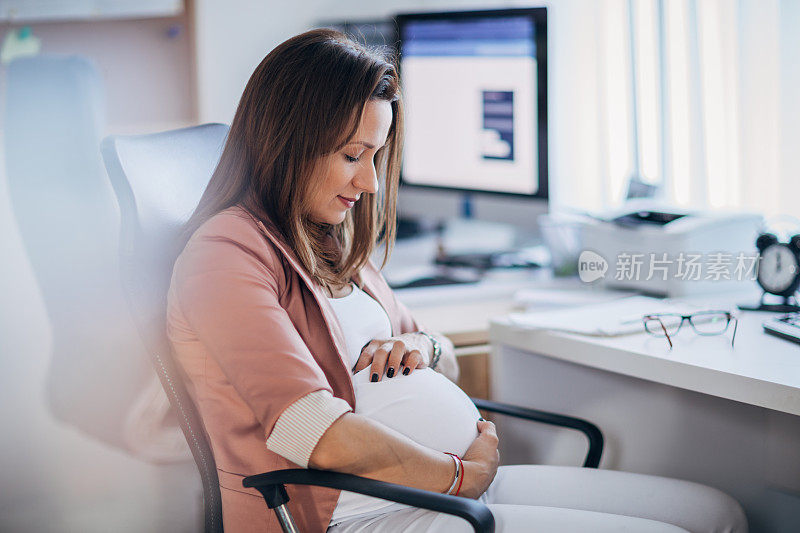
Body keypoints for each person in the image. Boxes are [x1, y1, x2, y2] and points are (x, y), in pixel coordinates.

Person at [166, 29, 747, 533]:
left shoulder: (325, 240)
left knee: (717, 514)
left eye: (377, 155)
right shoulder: (226, 254)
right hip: (366, 514)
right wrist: (463, 475)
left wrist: (421, 346)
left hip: (441, 490)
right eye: (352, 155)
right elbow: (311, 432)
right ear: (291, 142)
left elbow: (442, 358)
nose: (369, 181)